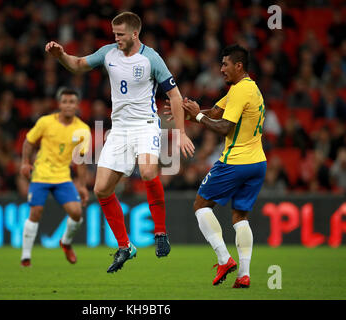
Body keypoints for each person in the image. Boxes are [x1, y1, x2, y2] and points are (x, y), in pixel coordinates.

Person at [45, 11, 195, 273]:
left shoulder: (151, 59)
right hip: (119, 130)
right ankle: (125, 246)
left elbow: (174, 95)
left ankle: (160, 232)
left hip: (146, 125)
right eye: (114, 34)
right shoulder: (108, 53)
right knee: (101, 190)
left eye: (120, 35)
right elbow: (78, 64)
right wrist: (61, 56)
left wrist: (181, 132)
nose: (116, 39)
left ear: (135, 34)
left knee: (148, 171)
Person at [165, 44, 267, 288]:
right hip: (258, 163)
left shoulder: (240, 90)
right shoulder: (247, 89)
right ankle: (244, 275)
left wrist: (198, 117)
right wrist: (189, 113)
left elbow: (223, 127)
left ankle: (224, 259)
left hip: (236, 162)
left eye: (225, 64)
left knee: (200, 205)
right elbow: (216, 112)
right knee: (240, 216)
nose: (221, 69)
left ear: (238, 65)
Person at [20, 88, 91, 266]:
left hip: (62, 177)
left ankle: (66, 242)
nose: (68, 105)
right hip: (41, 174)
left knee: (76, 213)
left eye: (71, 102)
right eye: (65, 101)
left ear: (77, 105)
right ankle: (26, 256)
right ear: (59, 104)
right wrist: (24, 162)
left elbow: (80, 160)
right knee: (35, 212)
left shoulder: (82, 129)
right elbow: (29, 142)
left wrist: (82, 185)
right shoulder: (45, 122)